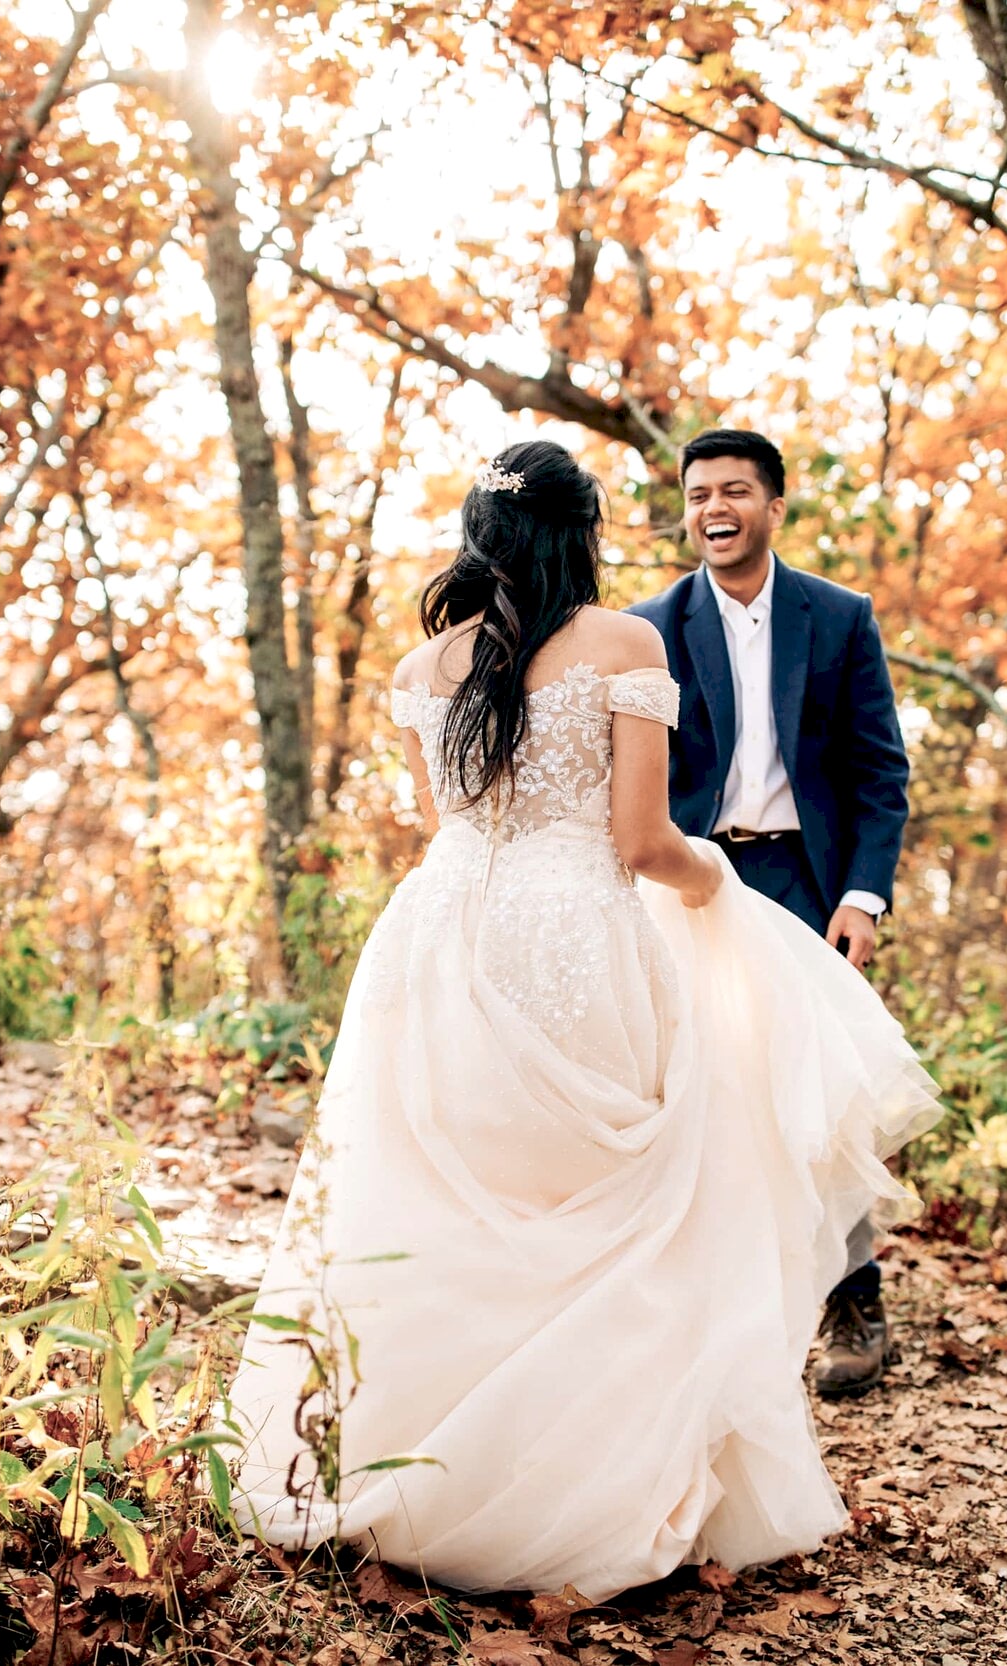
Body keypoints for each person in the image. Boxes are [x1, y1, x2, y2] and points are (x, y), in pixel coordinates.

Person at [225, 438, 939, 1600]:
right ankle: (586, 1490)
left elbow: (451, 827)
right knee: (610, 1203)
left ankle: (425, 1467)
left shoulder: (424, 662)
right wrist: (717, 895)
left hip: (437, 941)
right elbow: (642, 843)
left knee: (447, 1193)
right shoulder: (622, 641)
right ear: (582, 530)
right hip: (574, 942)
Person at [628, 428, 914, 1398]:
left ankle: (853, 1300)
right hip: (680, 877)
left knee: (815, 1093)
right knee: (686, 1088)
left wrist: (863, 896)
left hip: (804, 880)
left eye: (736, 490)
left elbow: (880, 771)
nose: (714, 507)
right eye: (699, 492)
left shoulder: (837, 618)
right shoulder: (647, 627)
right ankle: (692, 1305)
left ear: (773, 506)